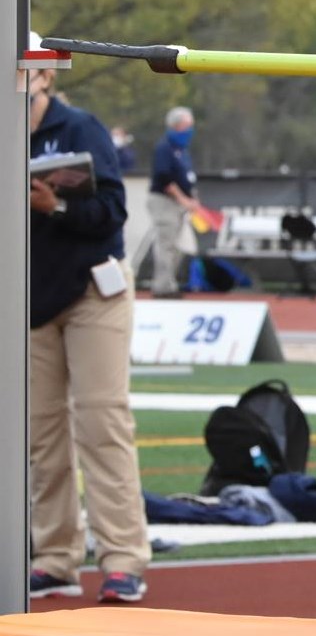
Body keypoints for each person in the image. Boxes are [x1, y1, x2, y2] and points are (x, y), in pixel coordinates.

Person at [25, 40, 150, 604]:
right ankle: (55, 556)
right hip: (28, 299)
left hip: (93, 289)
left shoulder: (78, 129)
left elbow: (113, 211)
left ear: (45, 75)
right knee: (39, 436)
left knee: (102, 423)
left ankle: (123, 558)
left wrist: (56, 206)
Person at [146, 106, 202, 298]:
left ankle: (170, 282)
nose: (190, 130)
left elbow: (186, 177)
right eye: (187, 125)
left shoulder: (182, 150)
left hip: (180, 203)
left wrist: (192, 199)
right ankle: (163, 287)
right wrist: (183, 199)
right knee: (166, 245)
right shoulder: (164, 148)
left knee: (178, 246)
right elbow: (165, 178)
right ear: (177, 125)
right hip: (165, 202)